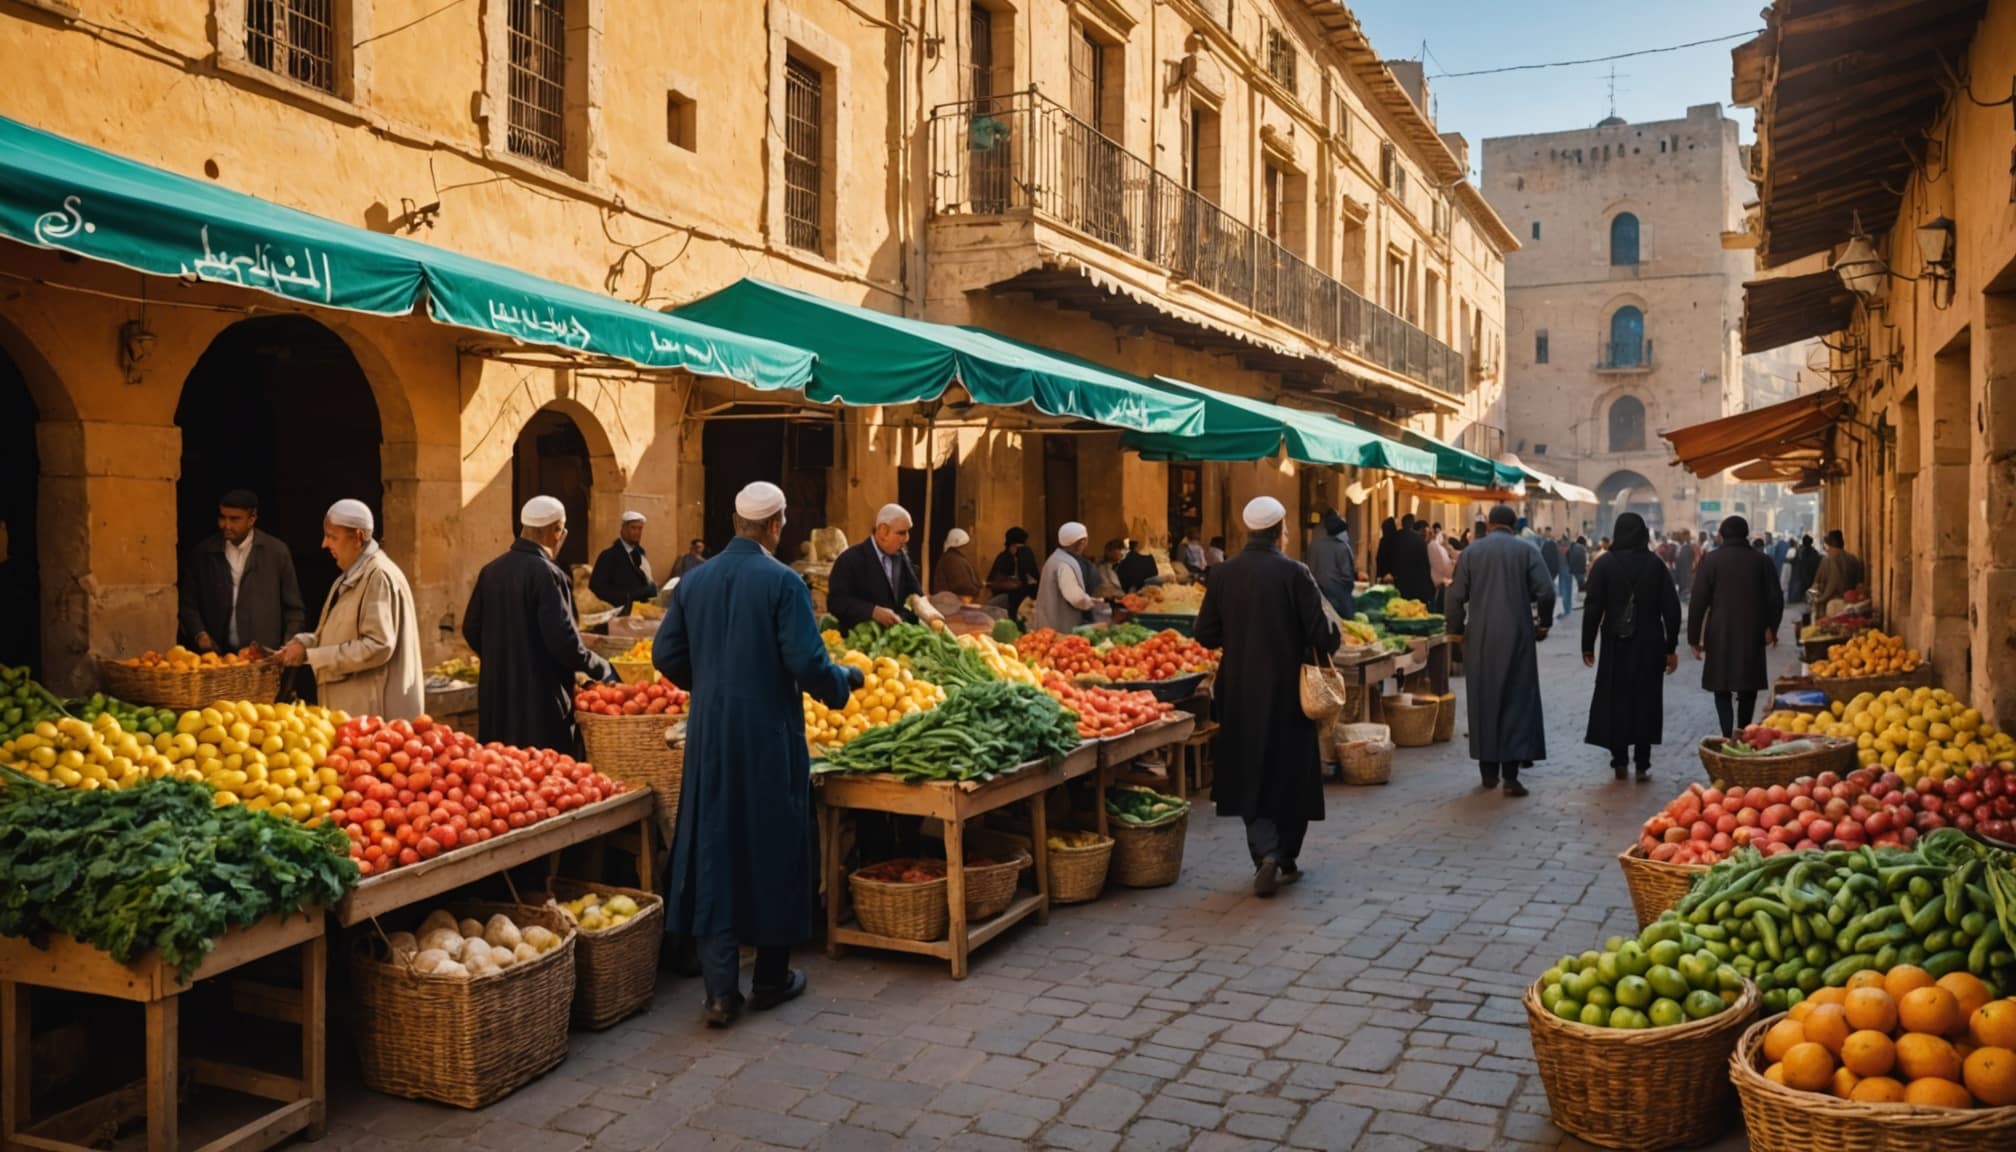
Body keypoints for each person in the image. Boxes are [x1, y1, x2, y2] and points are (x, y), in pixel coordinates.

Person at [653, 481, 862, 1027]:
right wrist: (845, 681)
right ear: (776, 525)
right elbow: (808, 663)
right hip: (769, 734)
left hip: (711, 737)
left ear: (735, 520)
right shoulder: (783, 582)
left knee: (714, 845)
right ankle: (771, 979)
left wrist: (714, 682)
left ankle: (720, 993)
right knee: (774, 844)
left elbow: (666, 654)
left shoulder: (693, 582)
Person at [1193, 497, 1339, 896]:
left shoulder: (1222, 575)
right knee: (1291, 772)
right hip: (1289, 691)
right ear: (1280, 530)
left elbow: (1204, 633)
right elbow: (1323, 637)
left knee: (1248, 770)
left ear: (1248, 532)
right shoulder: (1295, 573)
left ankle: (1266, 852)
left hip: (1239, 689)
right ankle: (1285, 855)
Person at [462, 496, 618, 751]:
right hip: (540, 699)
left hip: (497, 694)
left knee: (499, 770)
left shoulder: (491, 570)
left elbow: (471, 628)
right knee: (543, 774)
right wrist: (600, 667)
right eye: (561, 529)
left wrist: (501, 658)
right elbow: (563, 641)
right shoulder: (548, 573)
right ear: (556, 531)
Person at [277, 500, 424, 721]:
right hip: (354, 712)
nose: (324, 544)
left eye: (332, 536)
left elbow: (377, 646)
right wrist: (304, 644)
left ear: (357, 537)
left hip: (374, 713)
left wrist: (311, 655)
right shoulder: (350, 575)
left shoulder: (379, 576)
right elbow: (338, 635)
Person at [1444, 504, 1555, 797]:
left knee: (1484, 699)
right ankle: (1511, 776)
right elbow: (1546, 591)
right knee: (1517, 699)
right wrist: (1543, 623)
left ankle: (1488, 773)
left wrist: (1455, 630)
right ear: (1513, 525)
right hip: (1518, 635)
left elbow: (1454, 597)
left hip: (1480, 637)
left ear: (1490, 524)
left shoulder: (1471, 553)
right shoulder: (1527, 551)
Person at [1581, 513, 1683, 781]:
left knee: (1616, 698)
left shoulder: (1604, 565)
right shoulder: (1655, 565)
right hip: (1649, 644)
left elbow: (1592, 607)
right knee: (1645, 700)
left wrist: (1587, 644)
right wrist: (1670, 646)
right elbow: (1671, 610)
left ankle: (1618, 761)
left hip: (1616, 643)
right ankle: (1642, 763)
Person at [1688, 516, 1784, 738]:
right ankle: (1743, 730)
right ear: (1746, 534)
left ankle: (1726, 733)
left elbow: (1698, 601)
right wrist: (1771, 628)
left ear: (1721, 534)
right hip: (1752, 630)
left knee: (1721, 687)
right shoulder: (1761, 561)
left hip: (1720, 631)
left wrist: (1694, 638)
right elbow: (1775, 599)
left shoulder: (1711, 561)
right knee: (1747, 687)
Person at [179, 488, 305, 654]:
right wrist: (200, 634)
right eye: (222, 517)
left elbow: (294, 609)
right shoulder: (203, 553)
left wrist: (288, 647)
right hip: (217, 659)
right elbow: (188, 604)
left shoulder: (276, 552)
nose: (226, 525)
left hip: (263, 659)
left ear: (252, 519)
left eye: (234, 519)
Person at [826, 504, 921, 632]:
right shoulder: (850, 559)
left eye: (908, 532)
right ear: (883, 531)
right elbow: (836, 602)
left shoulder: (901, 557)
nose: (907, 539)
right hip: (858, 642)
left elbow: (915, 594)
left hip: (896, 639)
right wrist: (872, 611)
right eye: (901, 533)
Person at [1034, 522, 1099, 632]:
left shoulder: (1055, 558)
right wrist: (1095, 603)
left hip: (1048, 624)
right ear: (1082, 542)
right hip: (1059, 628)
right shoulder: (1064, 564)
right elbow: (1076, 598)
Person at [589, 511, 659, 612]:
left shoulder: (640, 554)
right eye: (633, 528)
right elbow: (596, 588)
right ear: (623, 529)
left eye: (640, 528)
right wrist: (627, 596)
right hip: (619, 613)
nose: (637, 532)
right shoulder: (609, 555)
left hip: (641, 611)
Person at [1307, 508, 1356, 619]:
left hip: (1318, 596)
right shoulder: (1342, 547)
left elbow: (1310, 570)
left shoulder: (1314, 545)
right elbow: (1347, 575)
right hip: (1338, 598)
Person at [986, 527, 1041, 615]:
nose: (1017, 549)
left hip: (1025, 600)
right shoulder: (1004, 559)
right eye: (1015, 546)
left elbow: (1033, 579)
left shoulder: (1026, 554)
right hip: (1009, 598)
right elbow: (993, 583)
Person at [1809, 530, 1866, 608]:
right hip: (1851, 602)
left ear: (1829, 544)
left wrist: (1817, 599)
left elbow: (1817, 584)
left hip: (1831, 603)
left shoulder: (1827, 560)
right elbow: (1859, 583)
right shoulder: (1853, 559)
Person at [1387, 514, 1434, 604]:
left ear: (1402, 523)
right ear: (1413, 524)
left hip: (1400, 580)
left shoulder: (1395, 537)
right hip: (1417, 581)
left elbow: (1391, 557)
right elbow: (1425, 562)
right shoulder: (1420, 540)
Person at [930, 528, 983, 601]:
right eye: (966, 544)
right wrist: (975, 588)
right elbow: (962, 587)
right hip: (951, 606)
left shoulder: (958, 558)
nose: (969, 547)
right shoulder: (952, 559)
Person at [1539, 528, 1570, 618]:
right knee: (1564, 591)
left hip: (1563, 571)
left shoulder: (1557, 545)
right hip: (1562, 571)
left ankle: (1566, 610)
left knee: (1564, 591)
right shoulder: (1555, 545)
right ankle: (1566, 610)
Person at [1787, 534, 1822, 608]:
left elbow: (1796, 561)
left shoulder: (1801, 551)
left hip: (1804, 575)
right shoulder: (1812, 552)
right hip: (1807, 575)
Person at [1373, 516, 1399, 581]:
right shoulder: (1397, 540)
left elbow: (1379, 558)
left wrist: (1379, 575)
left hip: (1384, 575)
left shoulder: (1383, 541)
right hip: (1395, 576)